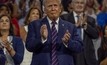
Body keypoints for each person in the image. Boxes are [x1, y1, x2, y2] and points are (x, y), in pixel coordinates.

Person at [26, 0, 83, 65]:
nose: (53, 9)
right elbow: (29, 46)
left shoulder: (70, 27)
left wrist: (68, 42)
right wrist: (42, 39)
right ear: (44, 9)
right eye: (50, 6)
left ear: (60, 8)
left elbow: (80, 47)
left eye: (55, 5)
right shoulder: (34, 25)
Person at [60, 0, 99, 65]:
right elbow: (61, 34)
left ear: (85, 5)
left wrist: (86, 26)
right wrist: (75, 26)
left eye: (82, 3)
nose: (79, 5)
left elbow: (96, 35)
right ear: (72, 4)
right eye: (77, 2)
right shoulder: (64, 18)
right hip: (71, 54)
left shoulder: (90, 20)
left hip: (87, 57)